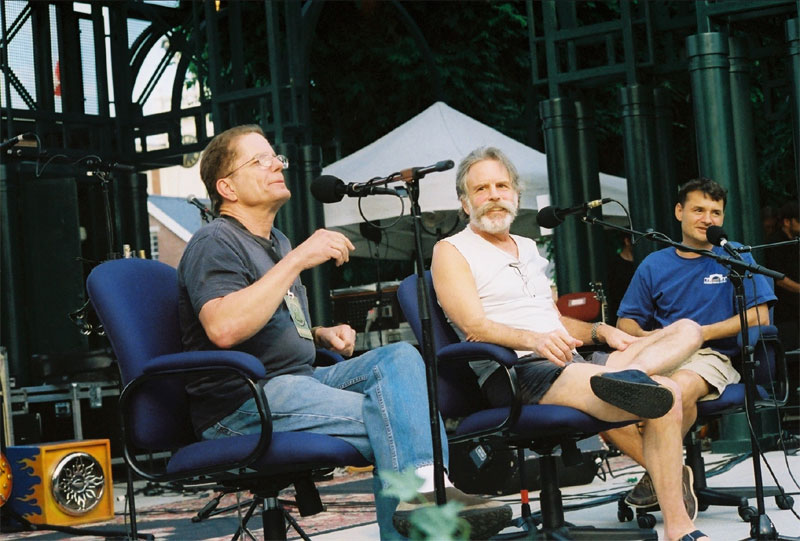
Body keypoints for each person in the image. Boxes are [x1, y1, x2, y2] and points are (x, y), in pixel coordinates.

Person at [177, 125, 511, 540]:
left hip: (298, 380)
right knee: (397, 417)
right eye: (260, 160)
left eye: (275, 156)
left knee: (401, 358)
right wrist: (297, 260)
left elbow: (263, 318)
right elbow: (224, 328)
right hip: (244, 400)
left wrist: (317, 334)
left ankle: (425, 491)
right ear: (226, 186)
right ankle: (429, 513)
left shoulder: (275, 241)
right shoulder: (215, 241)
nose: (278, 164)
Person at [431, 146, 708, 541]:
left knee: (684, 341)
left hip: (572, 360)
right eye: (481, 188)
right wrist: (535, 339)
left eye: (502, 185)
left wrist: (601, 332)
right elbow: (474, 325)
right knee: (657, 392)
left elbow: (554, 319)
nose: (493, 194)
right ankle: (619, 376)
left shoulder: (528, 247)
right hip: (517, 371)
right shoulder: (451, 250)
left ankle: (679, 531)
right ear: (464, 202)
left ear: (516, 195)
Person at [611, 177, 775, 511]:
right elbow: (625, 323)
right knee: (603, 397)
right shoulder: (654, 264)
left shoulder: (736, 256)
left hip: (714, 356)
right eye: (698, 209)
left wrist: (699, 333)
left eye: (716, 211)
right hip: (661, 354)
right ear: (679, 211)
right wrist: (657, 338)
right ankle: (669, 472)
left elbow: (759, 316)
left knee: (674, 390)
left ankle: (659, 476)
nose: (708, 218)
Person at [765, 200, 799, 353]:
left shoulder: (795, 242)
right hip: (785, 312)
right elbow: (778, 279)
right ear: (787, 221)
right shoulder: (776, 243)